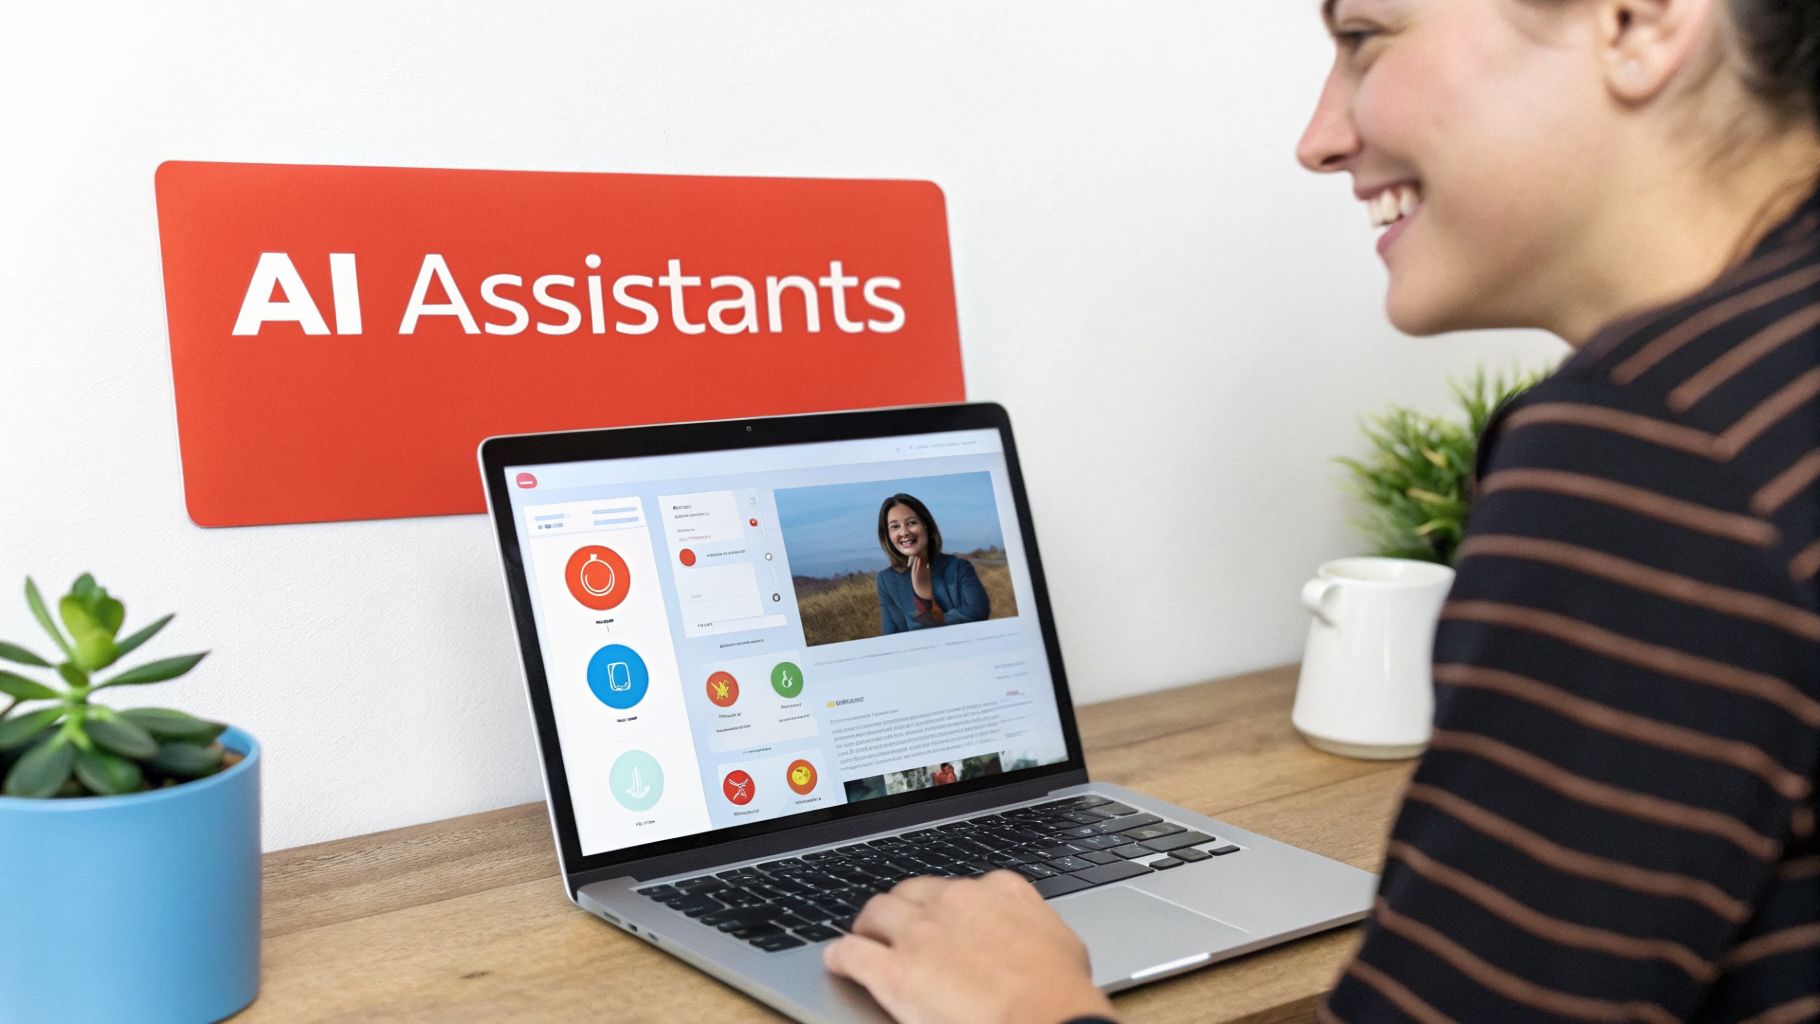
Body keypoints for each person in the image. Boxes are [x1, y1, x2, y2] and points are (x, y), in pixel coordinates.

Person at [823, 0, 1820, 1021]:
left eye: (1363, 37)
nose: (1318, 138)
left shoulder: (1652, 453)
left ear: (1634, 19)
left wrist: (1027, 1008)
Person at [876, 493, 991, 635]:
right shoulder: (886, 580)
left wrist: (927, 607)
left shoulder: (959, 567)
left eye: (911, 523)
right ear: (887, 535)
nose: (904, 532)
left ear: (926, 525)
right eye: (895, 527)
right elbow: (892, 635)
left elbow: (978, 612)